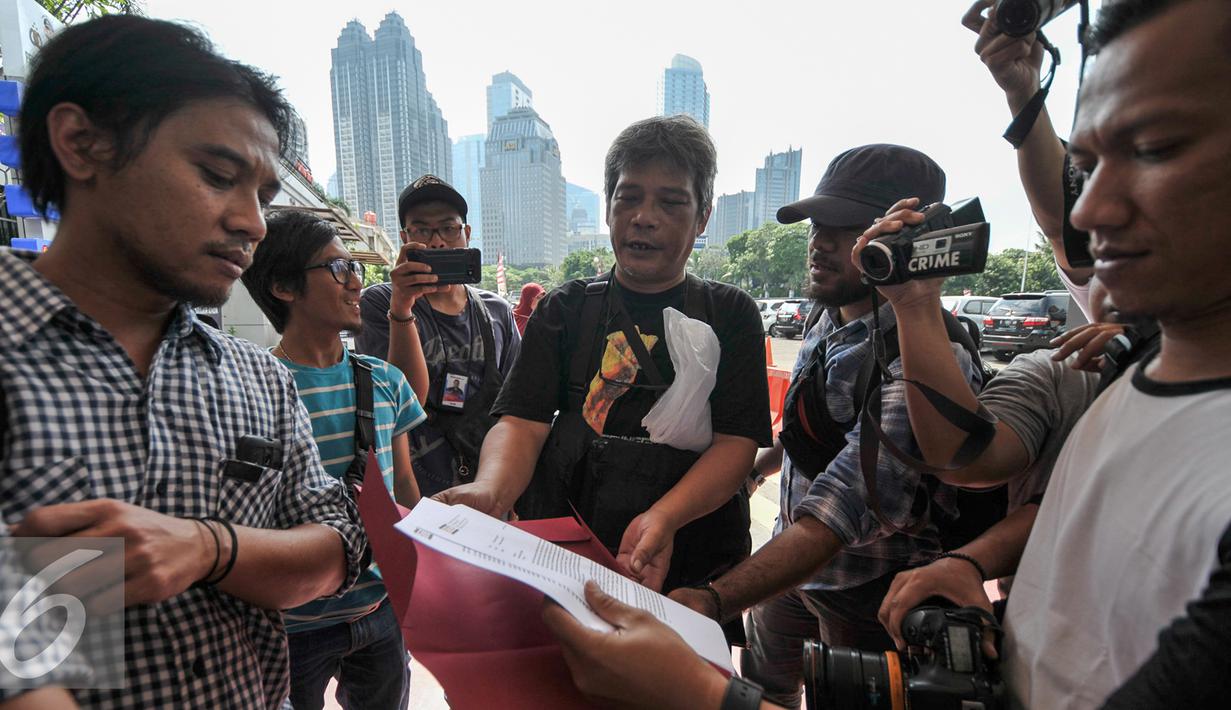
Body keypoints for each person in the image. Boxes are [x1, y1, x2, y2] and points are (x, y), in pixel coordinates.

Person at [0, 16, 365, 709]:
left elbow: (339, 548)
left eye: (262, 196)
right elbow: (30, 678)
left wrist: (207, 549)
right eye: (218, 176)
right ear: (81, 143)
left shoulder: (258, 378)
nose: (253, 223)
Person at [665, 145, 985, 708]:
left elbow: (838, 516)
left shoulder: (922, 362)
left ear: (912, 240)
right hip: (789, 569)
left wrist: (713, 600)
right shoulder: (830, 313)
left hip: (867, 592)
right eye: (819, 226)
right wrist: (760, 468)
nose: (821, 243)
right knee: (763, 686)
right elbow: (814, 429)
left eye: (851, 228)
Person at [438, 115, 772, 594]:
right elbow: (522, 423)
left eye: (671, 202)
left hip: (687, 552)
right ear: (610, 208)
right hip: (568, 546)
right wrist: (492, 490)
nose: (645, 216)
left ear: (703, 217)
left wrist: (665, 517)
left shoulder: (730, 314)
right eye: (629, 197)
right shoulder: (565, 308)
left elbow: (737, 444)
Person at [241, 210, 427, 710]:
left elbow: (404, 483)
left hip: (380, 608)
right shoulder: (253, 389)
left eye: (355, 269)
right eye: (339, 268)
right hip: (293, 624)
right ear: (283, 286)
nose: (354, 283)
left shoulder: (385, 380)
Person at [356, 175, 520, 498]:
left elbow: (516, 412)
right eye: (421, 230)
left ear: (466, 234)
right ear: (404, 238)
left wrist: (509, 490)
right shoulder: (379, 306)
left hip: (487, 494)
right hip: (413, 496)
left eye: (448, 228)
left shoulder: (497, 313)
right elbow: (400, 403)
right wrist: (402, 308)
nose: (437, 242)